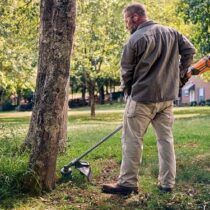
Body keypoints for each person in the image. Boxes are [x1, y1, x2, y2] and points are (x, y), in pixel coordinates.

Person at [101, 3, 195, 195]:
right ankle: (167, 183)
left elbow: (126, 72)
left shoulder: (134, 39)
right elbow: (190, 51)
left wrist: (128, 93)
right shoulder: (172, 33)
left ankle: (127, 183)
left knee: (132, 140)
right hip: (167, 99)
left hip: (142, 98)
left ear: (135, 17)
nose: (126, 24)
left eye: (126, 20)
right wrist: (180, 74)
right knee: (165, 140)